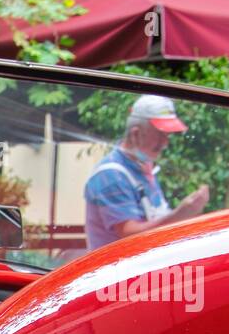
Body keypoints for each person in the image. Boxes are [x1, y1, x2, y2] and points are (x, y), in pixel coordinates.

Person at [84, 95, 210, 250]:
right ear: (135, 134)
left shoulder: (142, 167)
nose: (165, 143)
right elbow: (129, 236)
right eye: (160, 134)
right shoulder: (111, 176)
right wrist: (181, 214)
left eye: (167, 135)